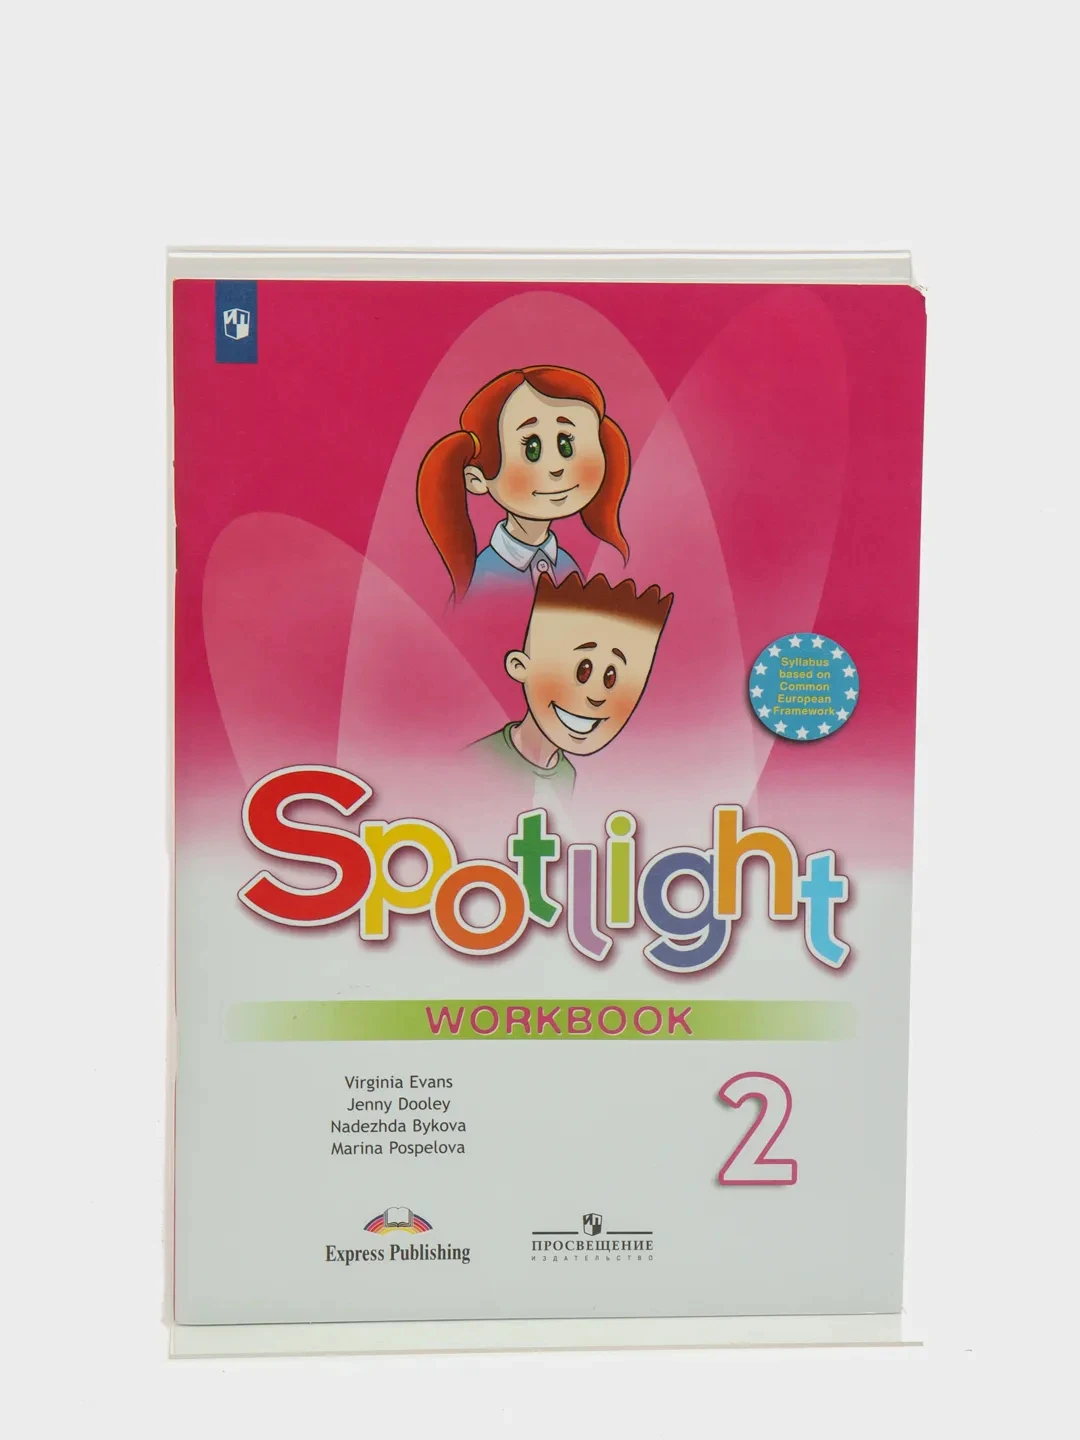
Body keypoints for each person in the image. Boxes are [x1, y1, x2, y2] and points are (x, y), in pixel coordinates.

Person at [417, 366, 631, 601]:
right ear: (476, 479)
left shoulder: (567, 568)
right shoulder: (484, 580)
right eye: (532, 449)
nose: (556, 468)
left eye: (566, 444)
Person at [470, 571, 673, 801]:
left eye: (610, 678)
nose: (596, 697)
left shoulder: (565, 775)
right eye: (583, 671)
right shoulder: (479, 764)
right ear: (520, 666)